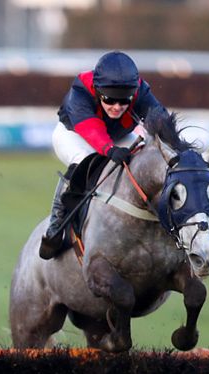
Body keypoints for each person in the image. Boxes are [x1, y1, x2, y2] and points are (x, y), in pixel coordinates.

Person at [39, 50, 167, 260]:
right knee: (85, 163)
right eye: (109, 100)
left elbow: (162, 122)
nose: (117, 107)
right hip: (75, 135)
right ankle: (55, 227)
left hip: (118, 137)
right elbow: (92, 130)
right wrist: (110, 150)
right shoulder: (80, 91)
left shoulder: (141, 91)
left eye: (124, 101)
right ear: (98, 91)